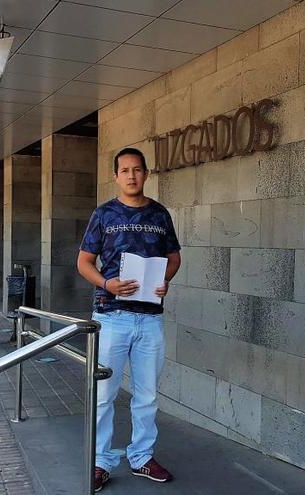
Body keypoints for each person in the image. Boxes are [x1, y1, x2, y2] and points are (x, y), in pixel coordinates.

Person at [77, 148, 181, 491]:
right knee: (104, 394)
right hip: (111, 317)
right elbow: (84, 262)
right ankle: (99, 462)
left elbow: (174, 257)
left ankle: (141, 457)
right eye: (125, 170)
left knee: (147, 395)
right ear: (116, 175)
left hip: (149, 319)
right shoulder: (103, 214)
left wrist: (165, 280)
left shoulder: (160, 214)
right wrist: (107, 283)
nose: (132, 175)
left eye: (137, 170)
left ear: (146, 174)